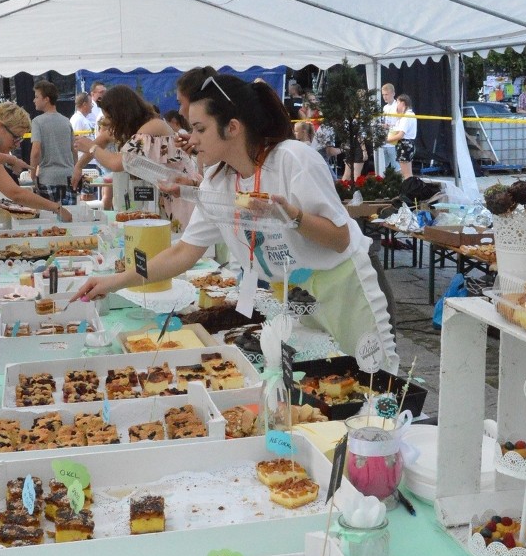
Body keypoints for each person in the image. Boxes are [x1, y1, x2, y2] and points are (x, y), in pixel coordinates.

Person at [75, 74, 397, 364]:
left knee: (375, 383)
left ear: (232, 127)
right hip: (293, 297)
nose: (191, 138)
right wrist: (113, 283)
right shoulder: (216, 182)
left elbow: (340, 238)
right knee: (322, 382)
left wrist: (292, 216)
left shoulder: (292, 159)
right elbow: (182, 253)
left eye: (200, 129)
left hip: (344, 288)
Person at [75, 85, 197, 228]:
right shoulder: (138, 127)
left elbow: (118, 163)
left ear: (122, 114)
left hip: (181, 199)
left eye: (110, 117)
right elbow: (103, 139)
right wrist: (78, 166)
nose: (109, 123)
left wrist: (91, 147)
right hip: (170, 197)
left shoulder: (152, 126)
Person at [0, 103, 73, 219]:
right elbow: (16, 194)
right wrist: (57, 208)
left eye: (20, 140)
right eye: (15, 138)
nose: (17, 146)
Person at [31, 79, 78, 207]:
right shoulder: (66, 121)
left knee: (49, 219)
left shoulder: (37, 122)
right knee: (69, 217)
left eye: (36, 97)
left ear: (46, 99)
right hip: (68, 176)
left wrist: (32, 175)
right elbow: (73, 149)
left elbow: (36, 151)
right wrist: (75, 169)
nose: (34, 100)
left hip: (48, 178)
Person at [387, 94, 418, 179]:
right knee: (406, 173)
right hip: (407, 144)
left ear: (403, 103)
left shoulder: (406, 117)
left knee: (406, 174)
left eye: (397, 102)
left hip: (404, 144)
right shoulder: (409, 115)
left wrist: (387, 140)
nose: (396, 105)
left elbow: (400, 135)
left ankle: (409, 190)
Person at [380, 83, 399, 171]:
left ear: (393, 94)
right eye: (383, 95)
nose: (385, 97)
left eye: (386, 94)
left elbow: (400, 123)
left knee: (395, 163)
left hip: (394, 138)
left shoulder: (397, 106)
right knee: (385, 164)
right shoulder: (385, 107)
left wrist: (389, 126)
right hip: (385, 138)